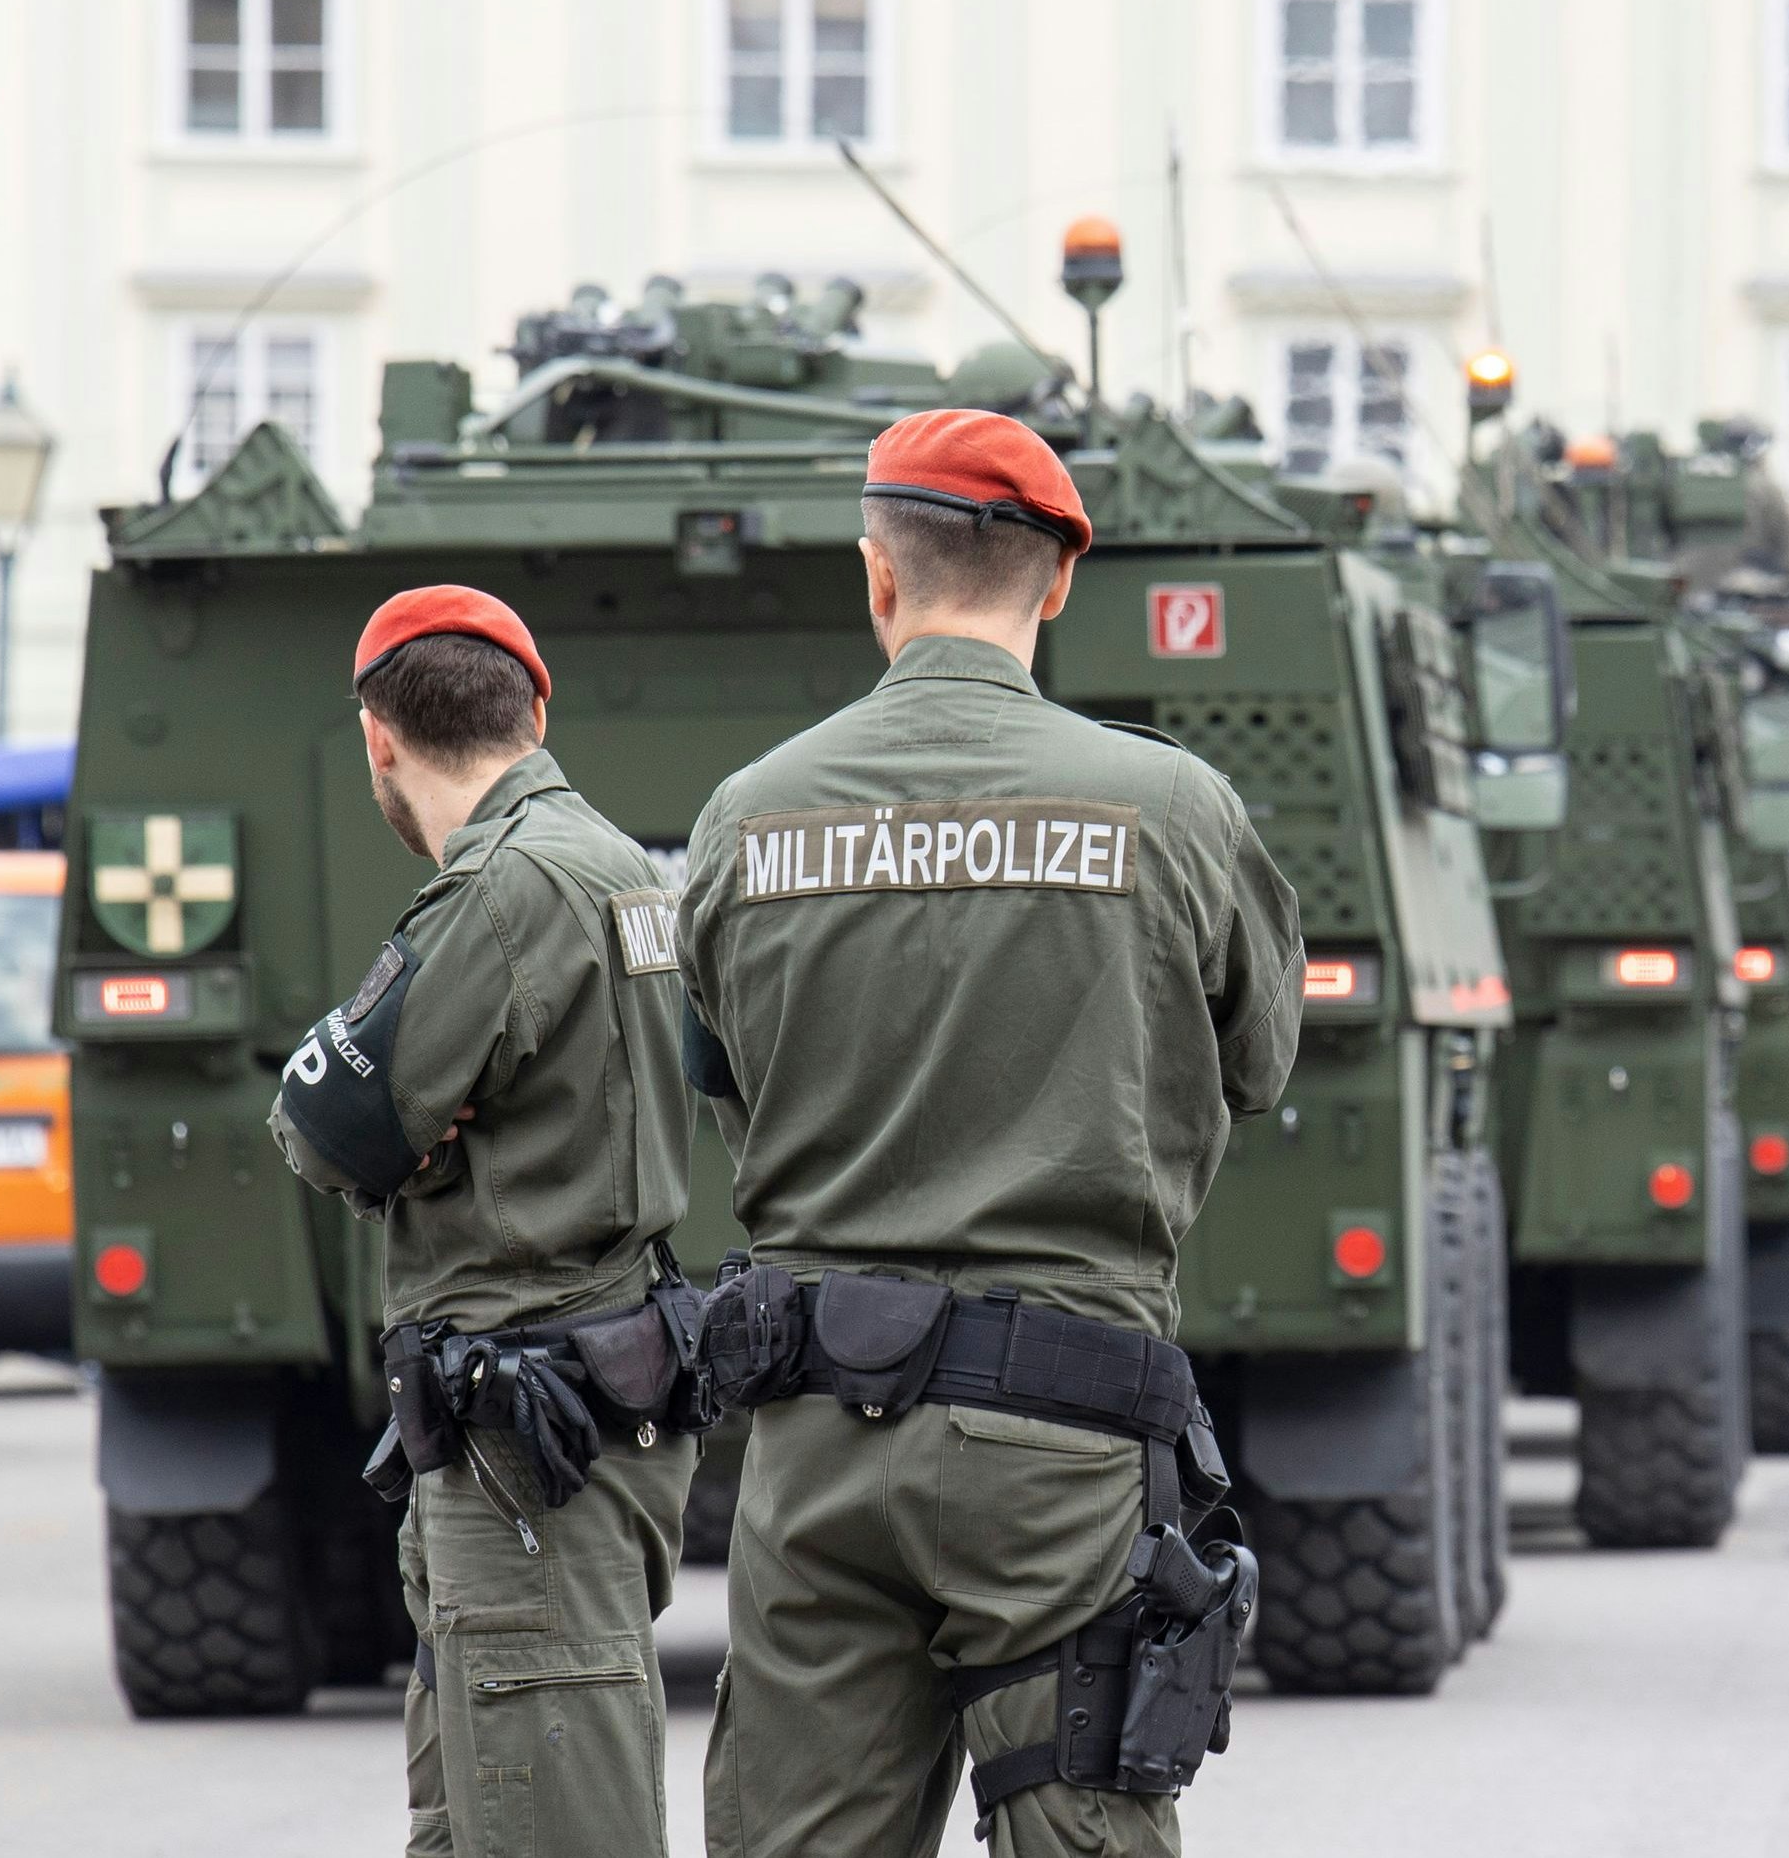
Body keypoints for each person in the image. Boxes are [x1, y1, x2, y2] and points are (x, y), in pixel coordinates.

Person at [678, 409, 1304, 1858]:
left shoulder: (744, 818)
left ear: (875, 577)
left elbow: (730, 1089)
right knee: (1082, 1825)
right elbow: (1259, 1062)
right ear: (1064, 580)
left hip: (816, 1434)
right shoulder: (1173, 807)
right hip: (1061, 1432)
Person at [264, 585, 703, 1858]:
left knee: (549, 1819)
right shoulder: (624, 866)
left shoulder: (497, 896)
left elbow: (324, 1120)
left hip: (527, 1444)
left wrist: (397, 1117)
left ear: (376, 741)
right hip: (584, 1408)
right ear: (536, 710)